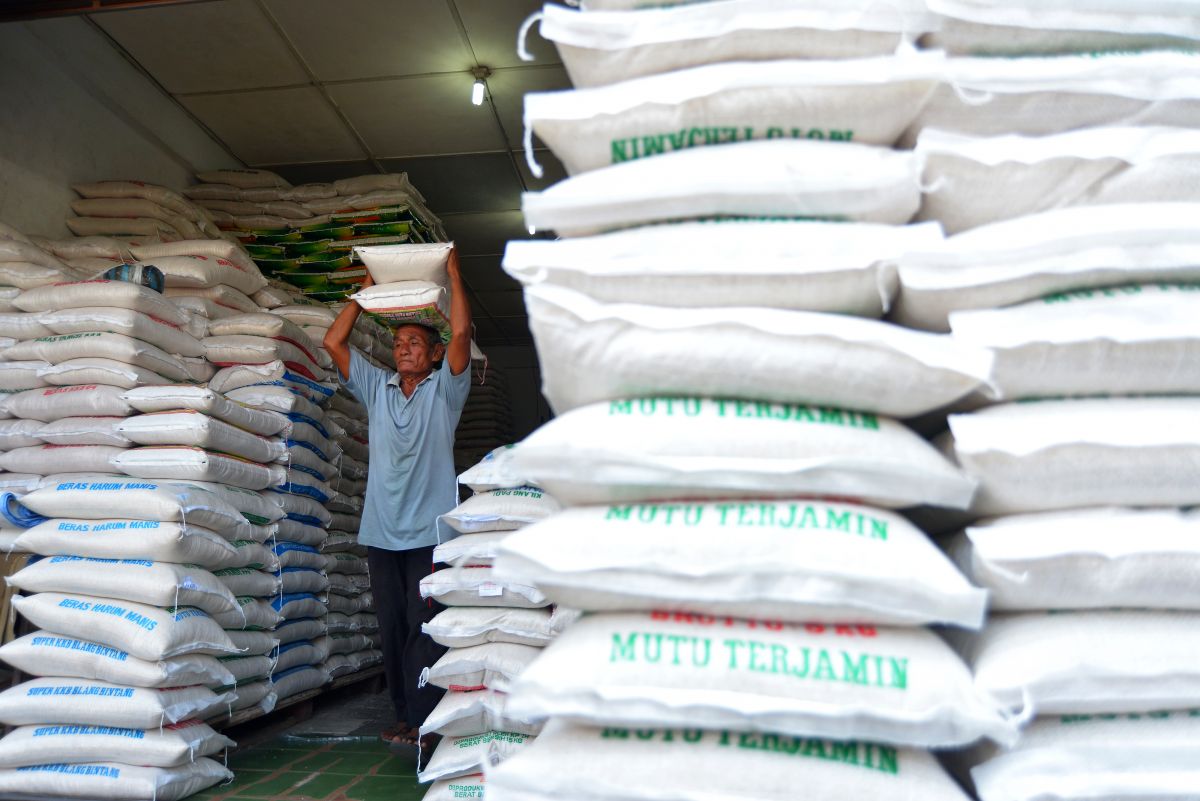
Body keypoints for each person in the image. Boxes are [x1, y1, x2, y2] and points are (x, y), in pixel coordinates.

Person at [323, 247, 472, 754]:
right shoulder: (376, 387)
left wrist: (452, 278)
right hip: (381, 532)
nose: (404, 349)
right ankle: (406, 716)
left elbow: (463, 338)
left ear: (434, 354)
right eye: (400, 342)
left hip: (430, 533)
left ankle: (429, 718)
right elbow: (333, 340)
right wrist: (362, 296)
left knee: (423, 628)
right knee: (392, 629)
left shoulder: (445, 391)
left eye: (414, 342)